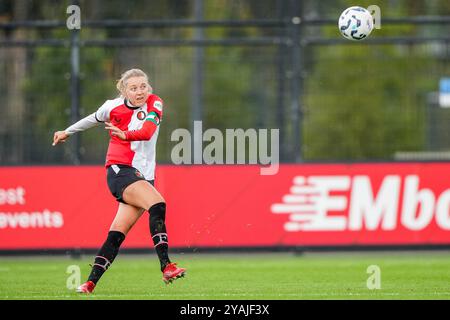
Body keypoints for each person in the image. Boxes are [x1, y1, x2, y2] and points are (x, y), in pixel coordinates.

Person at [52, 68, 186, 293]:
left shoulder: (155, 103)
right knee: (158, 204)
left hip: (143, 177)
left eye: (143, 86)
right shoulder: (111, 106)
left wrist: (126, 134)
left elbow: (147, 131)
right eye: (133, 88)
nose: (140, 91)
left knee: (117, 233)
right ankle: (167, 266)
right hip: (120, 170)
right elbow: (92, 119)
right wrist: (67, 131)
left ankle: (90, 283)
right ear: (124, 90)